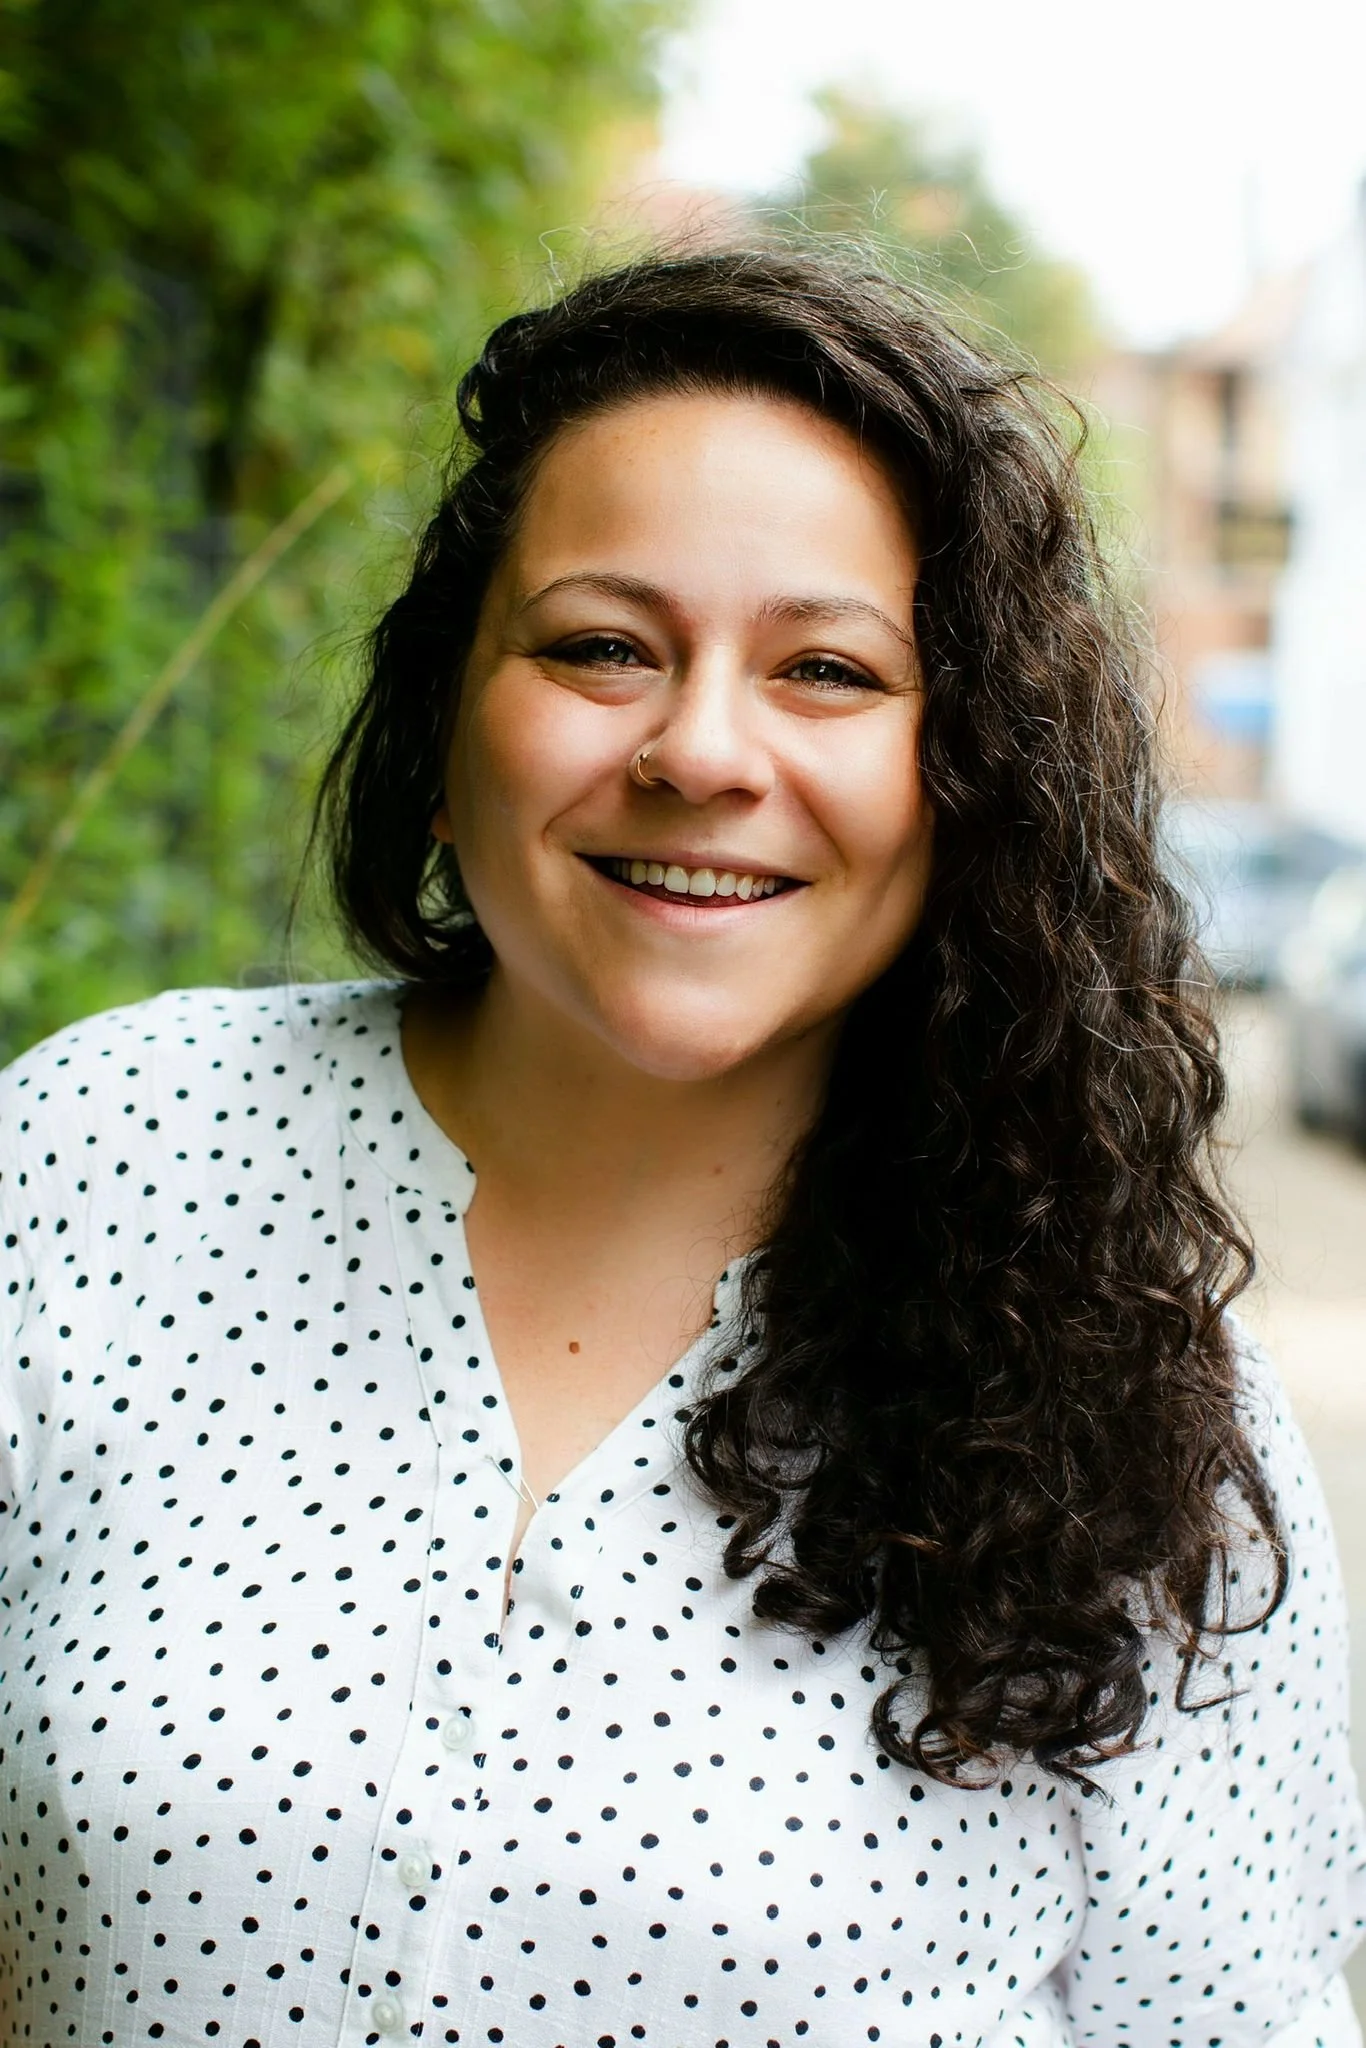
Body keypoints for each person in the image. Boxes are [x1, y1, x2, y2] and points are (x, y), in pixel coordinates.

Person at [1, 246, 1361, 2048]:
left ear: (971, 784)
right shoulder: (102, 1153)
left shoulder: (1144, 1422)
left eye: (825, 669)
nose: (701, 749)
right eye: (600, 646)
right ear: (445, 715)